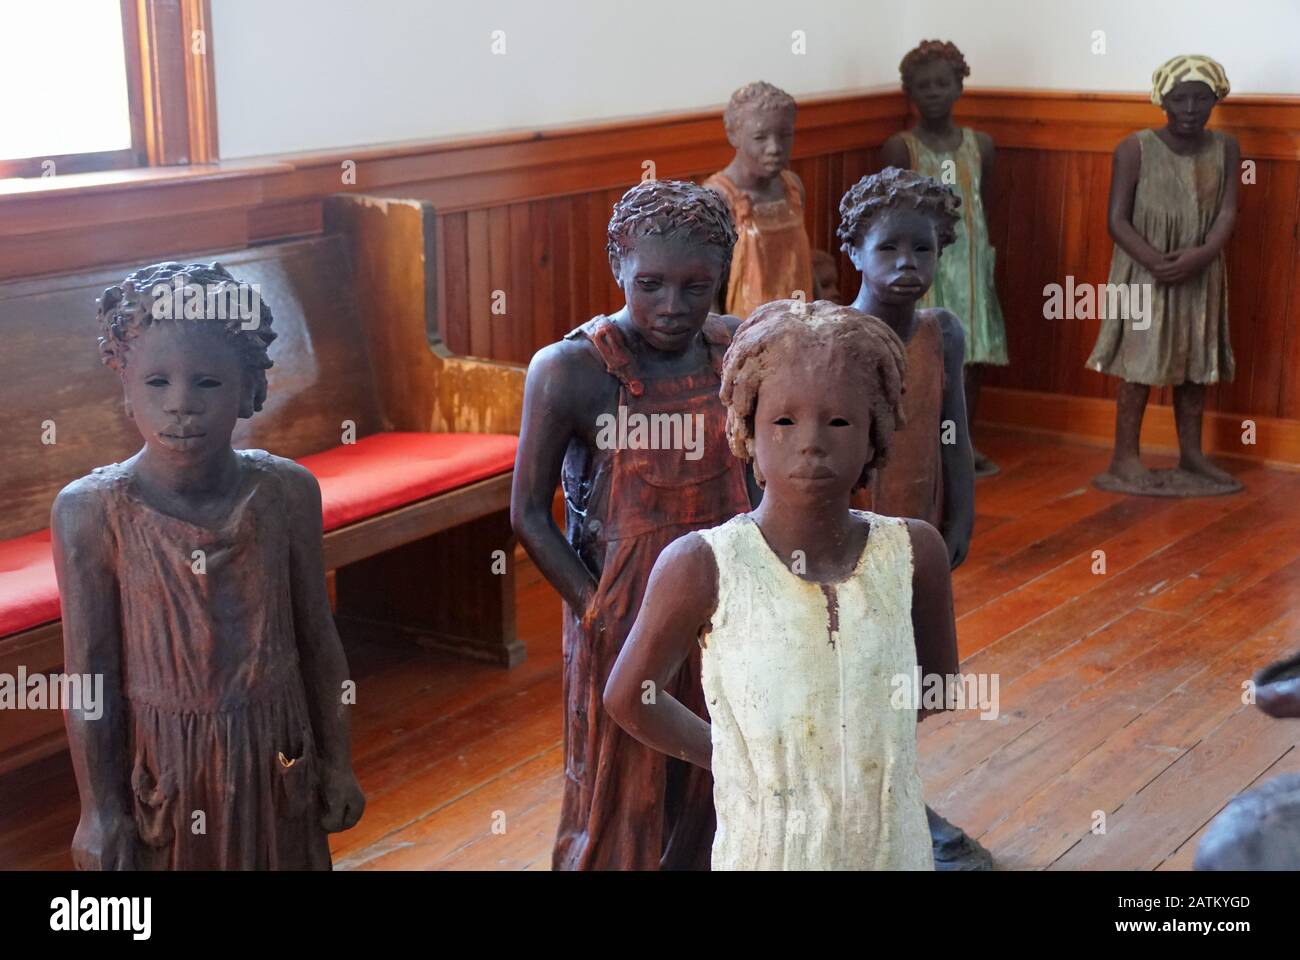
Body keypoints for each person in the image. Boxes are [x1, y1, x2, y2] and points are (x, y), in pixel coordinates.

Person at [604, 300, 960, 869]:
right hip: (769, 848)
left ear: (875, 437)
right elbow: (629, 697)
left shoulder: (915, 553)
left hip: (888, 843)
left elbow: (938, 685)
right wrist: (736, 755)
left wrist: (862, 739)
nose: (811, 441)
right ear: (746, 431)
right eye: (784, 421)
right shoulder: (704, 565)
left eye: (840, 421)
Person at [52, 261, 364, 870]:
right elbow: (88, 677)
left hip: (277, 754)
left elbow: (318, 640)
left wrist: (339, 761)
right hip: (165, 768)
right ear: (126, 389)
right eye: (157, 383)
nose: (181, 406)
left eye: (208, 383)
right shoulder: (92, 512)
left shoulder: (287, 493)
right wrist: (99, 810)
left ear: (251, 389)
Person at [510, 180, 755, 870]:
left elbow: (758, 472)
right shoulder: (570, 370)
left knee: (723, 754)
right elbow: (528, 513)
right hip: (625, 607)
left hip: (726, 600)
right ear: (617, 264)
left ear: (721, 276)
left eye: (695, 286)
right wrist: (597, 612)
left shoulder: (735, 348)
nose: (672, 307)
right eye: (650, 284)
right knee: (620, 779)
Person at [1086, 54, 1240, 497]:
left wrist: (1203, 254)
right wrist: (1154, 261)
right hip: (1143, 271)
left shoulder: (1225, 148)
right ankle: (1124, 456)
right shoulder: (1134, 148)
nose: (1190, 109)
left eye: (1201, 99)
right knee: (1138, 363)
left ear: (1216, 99)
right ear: (1162, 100)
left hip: (1201, 269)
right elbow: (1116, 219)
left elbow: (1228, 210)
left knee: (1194, 360)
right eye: (1180, 99)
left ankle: (1191, 453)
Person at [881, 40, 1008, 476]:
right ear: (909, 93)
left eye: (942, 83)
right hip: (920, 268)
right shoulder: (901, 149)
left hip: (969, 266)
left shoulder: (982, 146)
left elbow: (980, 202)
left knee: (971, 356)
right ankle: (922, 444)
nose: (933, 92)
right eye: (922, 86)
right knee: (923, 354)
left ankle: (961, 444)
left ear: (959, 86)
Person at [705, 81, 814, 318]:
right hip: (747, 333)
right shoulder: (719, 197)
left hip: (800, 324)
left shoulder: (793, 188)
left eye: (785, 135)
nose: (775, 148)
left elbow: (804, 263)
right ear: (734, 135)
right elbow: (708, 289)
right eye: (760, 137)